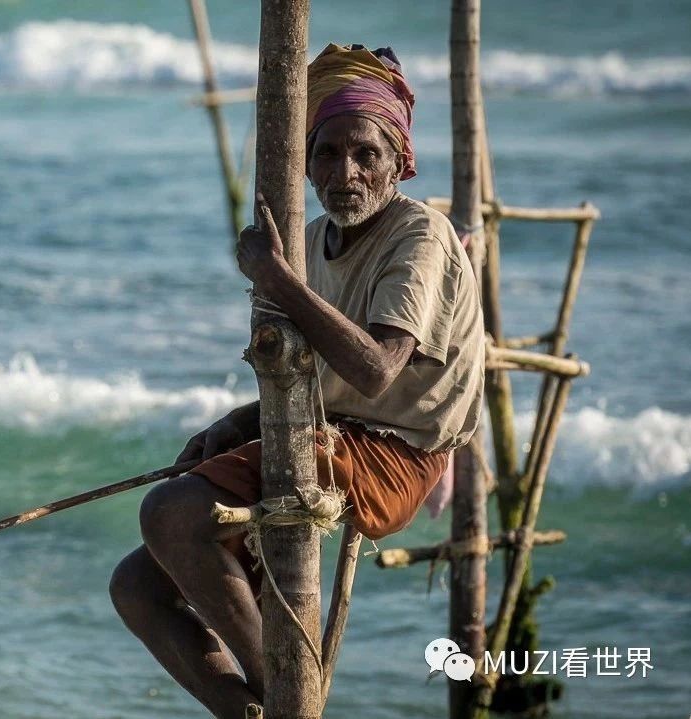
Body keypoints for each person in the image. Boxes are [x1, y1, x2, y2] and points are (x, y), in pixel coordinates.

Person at [108, 44, 485, 718]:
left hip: (394, 454)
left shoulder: (418, 235)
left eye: (365, 154)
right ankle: (253, 707)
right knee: (137, 584)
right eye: (327, 153)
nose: (345, 172)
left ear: (398, 157)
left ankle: (292, 700)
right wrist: (234, 423)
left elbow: (373, 370)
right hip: (329, 432)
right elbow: (304, 378)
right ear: (305, 163)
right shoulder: (310, 240)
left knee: (170, 512)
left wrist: (277, 278)